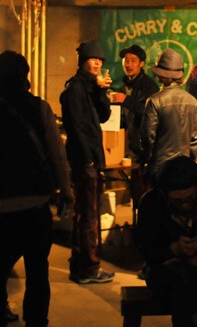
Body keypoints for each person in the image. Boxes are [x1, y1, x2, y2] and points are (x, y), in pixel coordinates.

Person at [0, 50, 72, 327]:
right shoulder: (41, 108)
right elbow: (58, 156)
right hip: (35, 207)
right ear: (25, 76)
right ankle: (36, 322)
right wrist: (66, 190)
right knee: (37, 274)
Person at [135, 156, 197, 327]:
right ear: (165, 194)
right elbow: (146, 248)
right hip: (162, 270)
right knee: (183, 276)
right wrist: (173, 249)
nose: (185, 205)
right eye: (177, 201)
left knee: (185, 288)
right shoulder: (151, 203)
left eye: (190, 198)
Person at [60, 40, 115, 284]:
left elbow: (103, 116)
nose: (97, 64)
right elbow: (76, 129)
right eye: (93, 59)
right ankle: (89, 268)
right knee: (88, 215)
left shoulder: (91, 87)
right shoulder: (74, 90)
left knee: (85, 213)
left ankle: (80, 267)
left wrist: (102, 91)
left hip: (91, 158)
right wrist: (88, 161)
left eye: (100, 61)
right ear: (83, 61)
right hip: (84, 160)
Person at [141, 48, 197, 180]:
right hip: (184, 168)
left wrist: (149, 159)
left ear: (161, 76)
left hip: (160, 168)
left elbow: (148, 137)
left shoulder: (154, 101)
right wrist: (190, 161)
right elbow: (195, 139)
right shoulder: (193, 101)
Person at [110, 44, 159, 164]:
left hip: (146, 145)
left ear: (141, 63)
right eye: (126, 60)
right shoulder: (124, 86)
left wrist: (125, 100)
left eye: (133, 61)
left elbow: (150, 112)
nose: (128, 64)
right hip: (130, 144)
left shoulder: (149, 85)